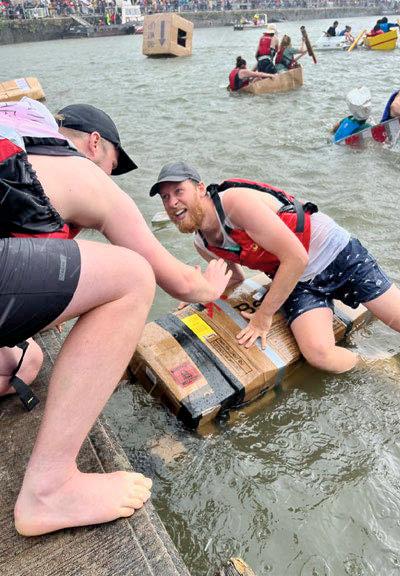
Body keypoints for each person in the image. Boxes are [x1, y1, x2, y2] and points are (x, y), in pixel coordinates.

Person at [0, 99, 232, 536]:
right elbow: (178, 282)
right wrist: (212, 287)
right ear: (94, 143)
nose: (109, 175)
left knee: (25, 363)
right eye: (112, 163)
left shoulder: (21, 147)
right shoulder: (81, 172)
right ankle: (48, 489)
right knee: (132, 277)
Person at [149, 161, 400, 375]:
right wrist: (200, 294)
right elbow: (234, 279)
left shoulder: (236, 203)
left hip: (335, 255)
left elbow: (296, 258)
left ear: (200, 188)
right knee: (319, 355)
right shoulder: (202, 243)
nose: (172, 202)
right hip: (298, 282)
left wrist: (263, 317)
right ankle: (381, 365)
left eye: (178, 191)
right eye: (165, 197)